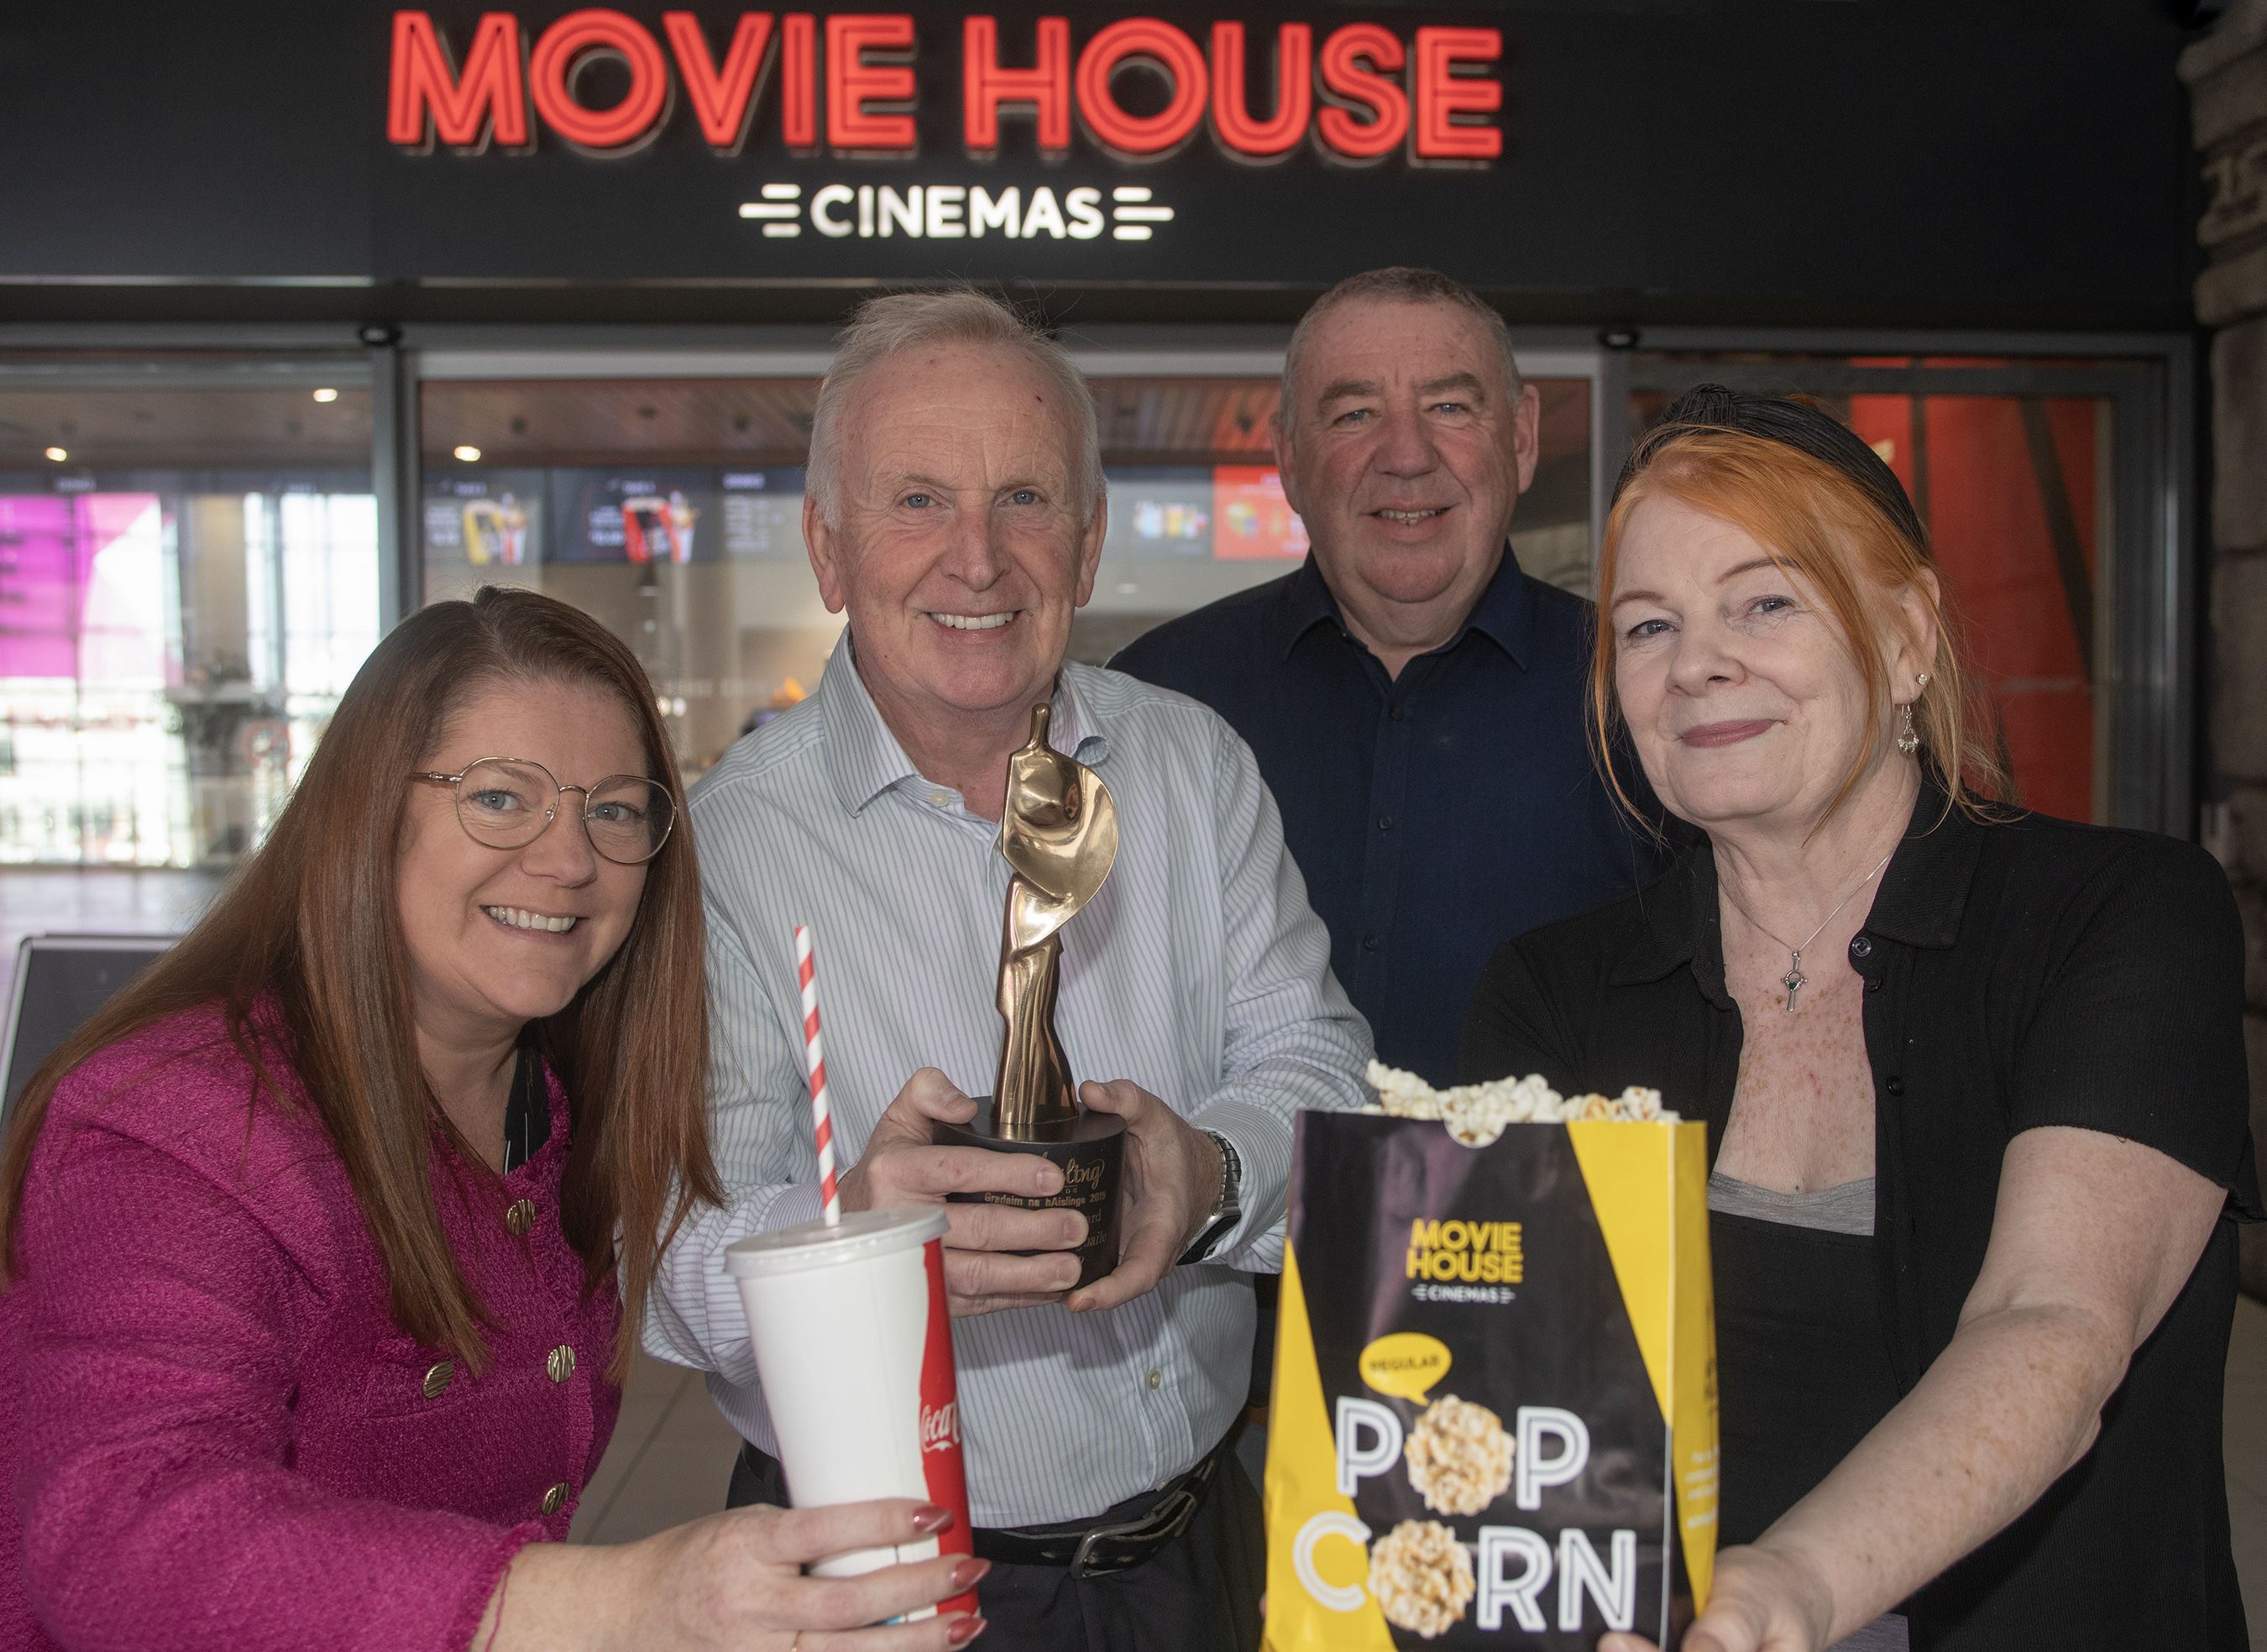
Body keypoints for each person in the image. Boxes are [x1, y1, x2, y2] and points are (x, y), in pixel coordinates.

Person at [0, 588, 986, 1652]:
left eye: (613, 809)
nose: (570, 861)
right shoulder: (177, 1121)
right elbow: (125, 1537)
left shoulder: (557, 1107)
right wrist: (630, 1602)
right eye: (502, 798)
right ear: (369, 811)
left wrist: (862, 1215)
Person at [1459, 388, 2259, 1651]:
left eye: (1765, 601)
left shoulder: (2118, 916)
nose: (1699, 662)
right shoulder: (1554, 993)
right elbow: (1509, 1383)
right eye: (1650, 625)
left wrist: (1790, 1592)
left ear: (1905, 641)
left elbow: (2052, 1322)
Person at [645, 290, 1372, 1652]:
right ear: (826, 547)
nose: (977, 558)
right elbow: (669, 1259)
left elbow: (1320, 1065)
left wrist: (1205, 1179)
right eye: (917, 499)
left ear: (1087, 546)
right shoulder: (728, 848)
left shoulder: (1193, 764)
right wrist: (854, 1233)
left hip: (1210, 1543)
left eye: (1026, 498)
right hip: (888, 1576)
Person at [1113, 266, 1664, 1087]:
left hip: (1560, 1213)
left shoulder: (1642, 689)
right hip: (1238, 1213)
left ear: (1519, 438)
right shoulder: (1162, 698)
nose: (1406, 456)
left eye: (1449, 406)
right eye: (1355, 413)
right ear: (1291, 458)